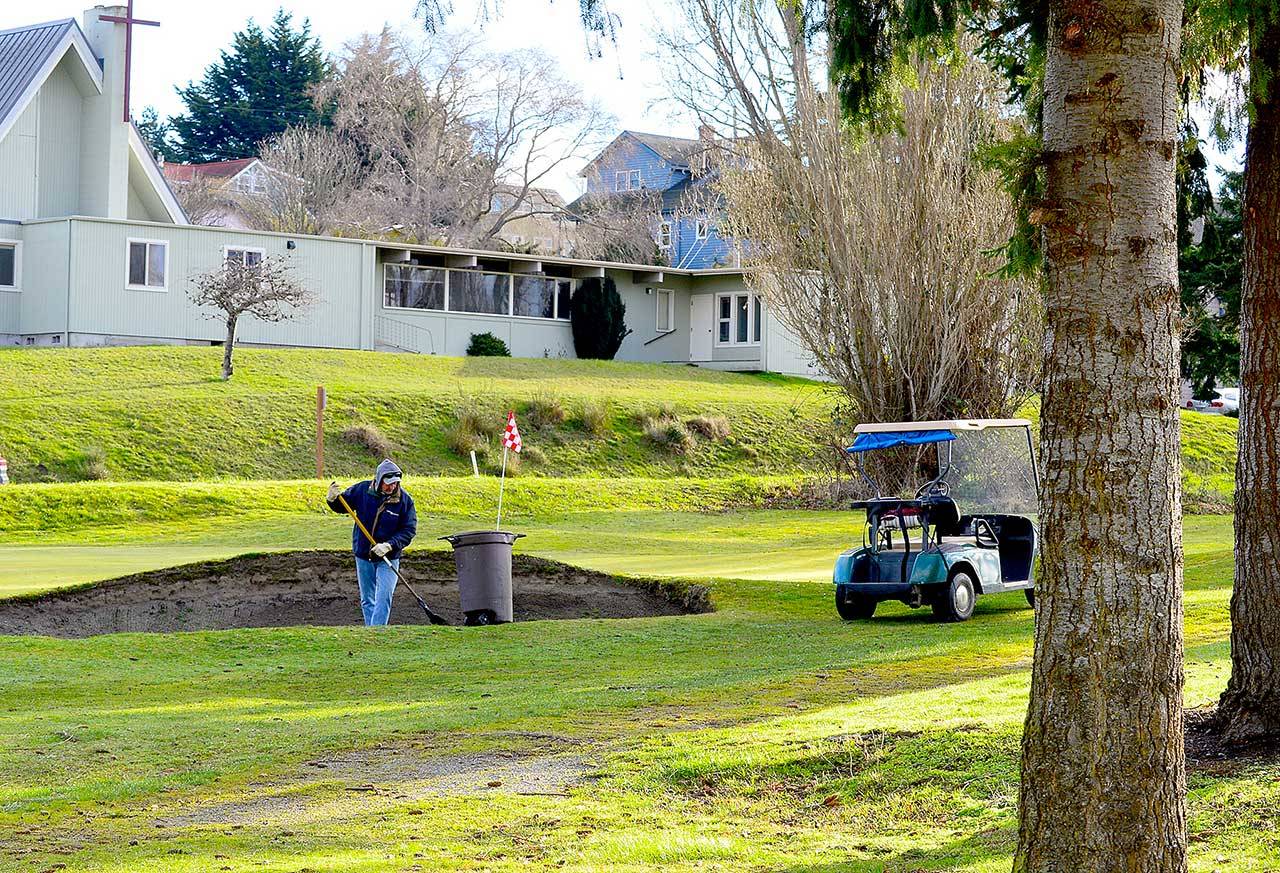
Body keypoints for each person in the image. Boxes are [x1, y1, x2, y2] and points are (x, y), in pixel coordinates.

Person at [326, 459, 417, 626]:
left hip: (388, 556)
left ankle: (377, 632)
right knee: (367, 599)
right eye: (388, 483)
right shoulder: (362, 490)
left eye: (395, 483)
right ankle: (371, 632)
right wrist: (332, 500)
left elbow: (408, 530)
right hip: (363, 555)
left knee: (384, 595)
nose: (391, 487)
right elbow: (343, 505)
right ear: (379, 479)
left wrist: (389, 545)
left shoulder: (405, 501)